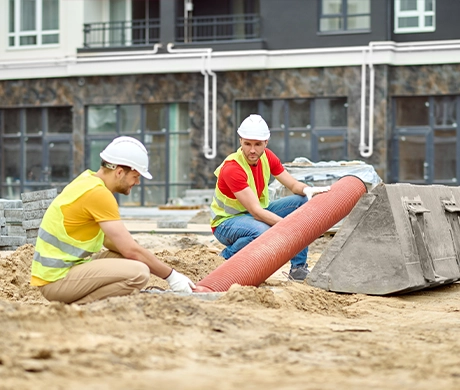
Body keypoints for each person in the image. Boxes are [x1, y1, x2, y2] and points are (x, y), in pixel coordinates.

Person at [31, 136, 195, 304]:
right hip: (56, 280)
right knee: (139, 273)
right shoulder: (98, 194)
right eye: (135, 176)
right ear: (119, 172)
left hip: (63, 272)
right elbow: (131, 250)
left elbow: (112, 242)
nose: (137, 182)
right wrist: (172, 276)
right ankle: (80, 305)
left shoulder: (87, 180)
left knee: (130, 260)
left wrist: (137, 252)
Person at [210, 114, 324, 282]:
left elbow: (292, 185)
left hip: (254, 214)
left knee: (302, 202)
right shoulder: (232, 168)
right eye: (247, 144)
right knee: (263, 231)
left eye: (258, 144)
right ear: (240, 141)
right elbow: (256, 212)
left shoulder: (267, 157)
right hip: (226, 223)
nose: (252, 150)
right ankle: (225, 258)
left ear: (266, 142)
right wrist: (290, 227)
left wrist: (308, 190)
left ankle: (298, 269)